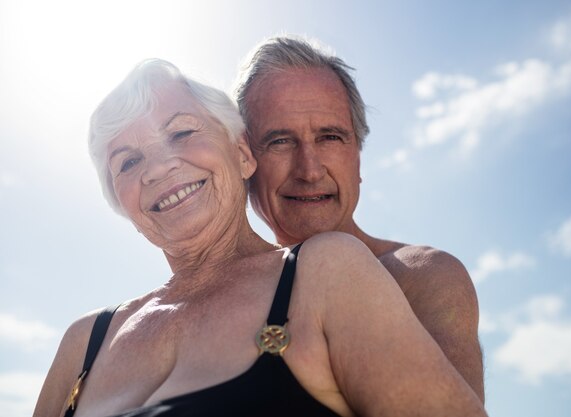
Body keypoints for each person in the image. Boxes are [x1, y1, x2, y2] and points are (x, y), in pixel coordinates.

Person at [33, 59, 486, 417]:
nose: (157, 168)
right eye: (127, 163)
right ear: (121, 203)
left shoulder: (330, 270)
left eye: (182, 132)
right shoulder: (83, 341)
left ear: (241, 154)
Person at [235, 35, 485, 401]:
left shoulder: (421, 279)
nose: (309, 170)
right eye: (280, 141)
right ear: (244, 162)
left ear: (358, 158)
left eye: (330, 137)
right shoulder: (223, 300)